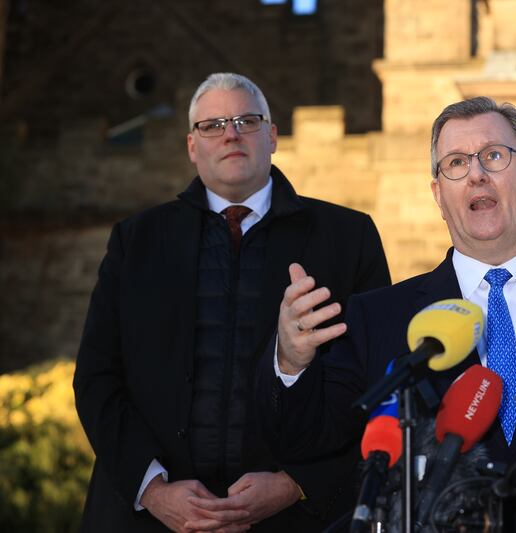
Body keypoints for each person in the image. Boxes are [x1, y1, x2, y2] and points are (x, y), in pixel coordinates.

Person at [258, 97, 516, 530]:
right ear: (439, 195)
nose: (476, 174)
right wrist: (291, 362)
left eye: (494, 156)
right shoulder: (378, 316)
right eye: (456, 163)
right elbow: (311, 444)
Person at [73, 72, 390, 532]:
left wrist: (295, 482)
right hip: (146, 518)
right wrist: (154, 490)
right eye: (212, 125)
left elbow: (376, 378)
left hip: (297, 518)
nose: (230, 133)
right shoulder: (136, 241)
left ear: (273, 136)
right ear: (191, 146)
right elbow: (97, 376)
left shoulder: (347, 238)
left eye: (246, 120)